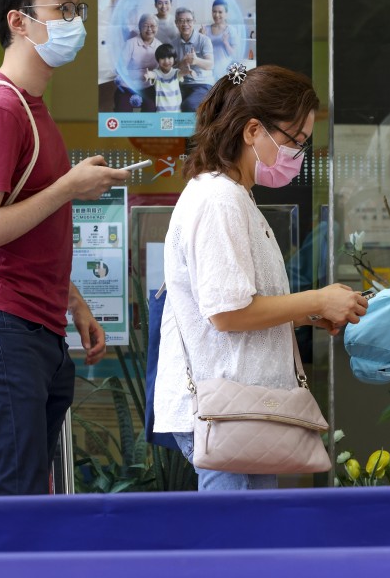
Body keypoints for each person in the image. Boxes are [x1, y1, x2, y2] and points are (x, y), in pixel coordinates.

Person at [0, 0, 129, 496]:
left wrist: (74, 302)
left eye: (79, 7)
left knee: (31, 489)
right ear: (19, 21)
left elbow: (27, 229)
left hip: (38, 324)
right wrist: (69, 187)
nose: (76, 21)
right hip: (2, 323)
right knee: (17, 492)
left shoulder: (31, 105)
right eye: (63, 7)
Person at [153, 64, 369, 490]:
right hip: (228, 409)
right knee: (238, 531)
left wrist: (308, 315)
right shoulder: (219, 200)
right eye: (295, 140)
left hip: (242, 407)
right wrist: (316, 300)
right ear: (253, 130)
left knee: (248, 527)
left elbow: (239, 305)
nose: (299, 153)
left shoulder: (234, 196)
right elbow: (227, 313)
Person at [113, 13, 161, 112]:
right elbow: (119, 69)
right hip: (127, 86)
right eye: (145, 26)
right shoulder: (130, 44)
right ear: (139, 27)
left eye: (152, 26)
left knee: (151, 109)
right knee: (123, 111)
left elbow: (160, 70)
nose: (149, 29)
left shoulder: (159, 46)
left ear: (157, 28)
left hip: (147, 87)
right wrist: (139, 75)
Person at [173, 8, 215, 113]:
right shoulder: (173, 43)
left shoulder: (204, 40)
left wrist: (196, 61)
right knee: (168, 103)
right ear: (176, 23)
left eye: (188, 20)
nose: (185, 24)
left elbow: (210, 65)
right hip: (182, 84)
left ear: (194, 22)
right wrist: (181, 64)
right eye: (181, 21)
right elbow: (171, 68)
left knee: (189, 105)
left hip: (202, 83)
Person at [201, 0, 237, 76]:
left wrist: (226, 43)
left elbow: (234, 54)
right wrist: (202, 39)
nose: (217, 15)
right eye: (214, 11)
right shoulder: (205, 30)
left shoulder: (231, 30)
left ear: (226, 13)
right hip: (208, 73)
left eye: (220, 12)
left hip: (225, 72)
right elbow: (199, 54)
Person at [145, 43, 183, 113]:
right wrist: (148, 75)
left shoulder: (176, 72)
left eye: (169, 57)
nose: (166, 61)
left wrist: (188, 71)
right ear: (158, 60)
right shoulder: (157, 73)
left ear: (174, 58)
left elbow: (181, 73)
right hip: (161, 112)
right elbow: (153, 74)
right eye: (162, 58)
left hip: (176, 111)